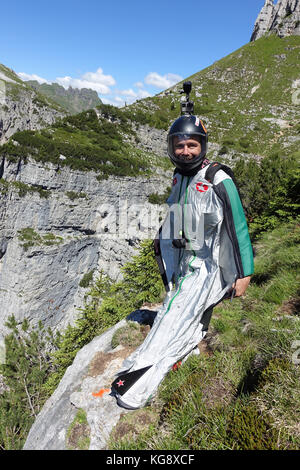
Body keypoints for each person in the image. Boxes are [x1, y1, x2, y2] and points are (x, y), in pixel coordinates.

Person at [111, 113, 254, 410]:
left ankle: (137, 381)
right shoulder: (180, 175)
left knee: (173, 315)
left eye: (191, 144)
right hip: (186, 256)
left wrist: (244, 273)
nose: (185, 150)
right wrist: (164, 238)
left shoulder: (217, 179)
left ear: (202, 145)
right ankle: (188, 352)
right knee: (189, 311)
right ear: (171, 147)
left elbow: (237, 224)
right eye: (180, 145)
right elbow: (177, 208)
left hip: (208, 263)